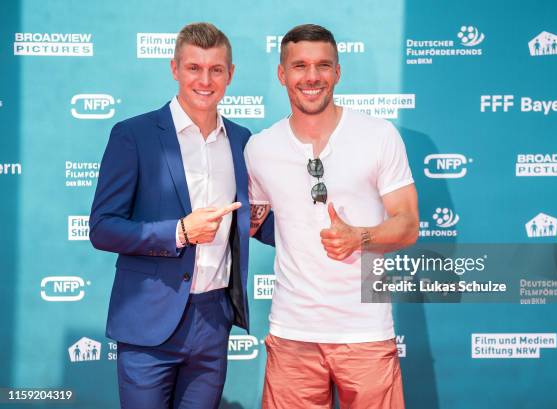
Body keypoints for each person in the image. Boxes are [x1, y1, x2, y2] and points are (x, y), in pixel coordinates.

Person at [89, 22, 273, 409]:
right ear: (175, 69)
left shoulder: (243, 141)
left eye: (215, 70)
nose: (204, 80)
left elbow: (259, 224)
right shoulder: (133, 135)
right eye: (194, 68)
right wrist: (179, 231)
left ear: (230, 74)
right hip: (147, 321)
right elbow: (103, 228)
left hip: (212, 320)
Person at [246, 24, 419, 408]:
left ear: (337, 73)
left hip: (366, 333)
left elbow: (408, 224)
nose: (311, 77)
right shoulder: (259, 148)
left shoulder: (378, 135)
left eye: (323, 65)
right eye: (299, 66)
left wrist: (361, 237)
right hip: (292, 334)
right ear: (281, 74)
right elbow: (253, 221)